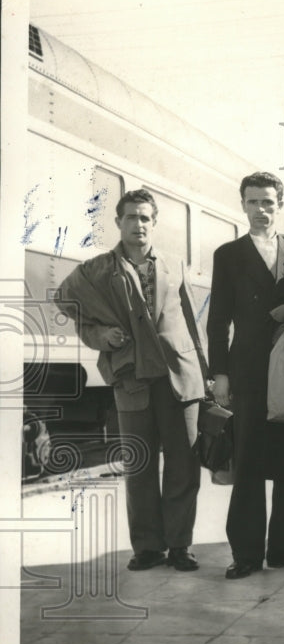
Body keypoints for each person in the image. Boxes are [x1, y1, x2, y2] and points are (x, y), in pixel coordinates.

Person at [57, 189, 204, 572]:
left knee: (183, 465)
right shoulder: (97, 270)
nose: (138, 225)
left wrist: (206, 373)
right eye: (131, 218)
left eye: (145, 218)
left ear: (154, 223)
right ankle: (148, 548)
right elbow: (73, 310)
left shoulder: (175, 264)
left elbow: (191, 321)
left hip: (179, 377)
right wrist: (100, 337)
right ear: (118, 222)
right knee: (138, 466)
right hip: (132, 378)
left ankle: (180, 546)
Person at [207, 171, 284, 579]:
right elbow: (218, 318)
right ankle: (246, 554)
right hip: (250, 369)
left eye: (268, 202)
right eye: (254, 201)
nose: (261, 210)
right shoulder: (228, 254)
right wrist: (219, 373)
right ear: (242, 204)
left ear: (281, 205)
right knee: (250, 460)